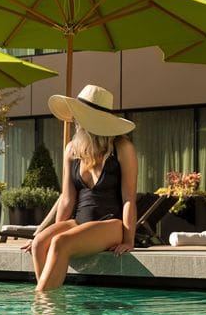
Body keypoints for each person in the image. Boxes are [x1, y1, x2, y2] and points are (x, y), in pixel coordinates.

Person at [25, 84, 138, 292]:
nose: (76, 121)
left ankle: (42, 305)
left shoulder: (122, 148)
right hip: (78, 221)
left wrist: (129, 239)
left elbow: (129, 197)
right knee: (40, 242)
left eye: (80, 115)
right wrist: (52, 232)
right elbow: (67, 198)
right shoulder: (72, 149)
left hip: (110, 223)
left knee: (60, 243)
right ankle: (52, 301)